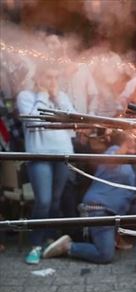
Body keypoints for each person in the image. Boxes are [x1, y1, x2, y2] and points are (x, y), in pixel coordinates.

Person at [42, 132, 136, 264]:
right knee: (105, 255)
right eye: (133, 141)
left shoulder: (132, 164)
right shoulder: (112, 151)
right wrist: (125, 146)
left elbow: (131, 193)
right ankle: (69, 246)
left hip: (119, 209)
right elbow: (111, 162)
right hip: (100, 208)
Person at [17, 64, 75, 265]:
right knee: (43, 200)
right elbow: (33, 121)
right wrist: (42, 95)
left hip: (63, 154)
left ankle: (49, 238)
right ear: (38, 78)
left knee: (56, 201)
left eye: (55, 78)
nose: (53, 82)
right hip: (39, 155)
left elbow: (72, 122)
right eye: (48, 77)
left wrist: (57, 97)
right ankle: (35, 244)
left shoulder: (62, 97)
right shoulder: (26, 96)